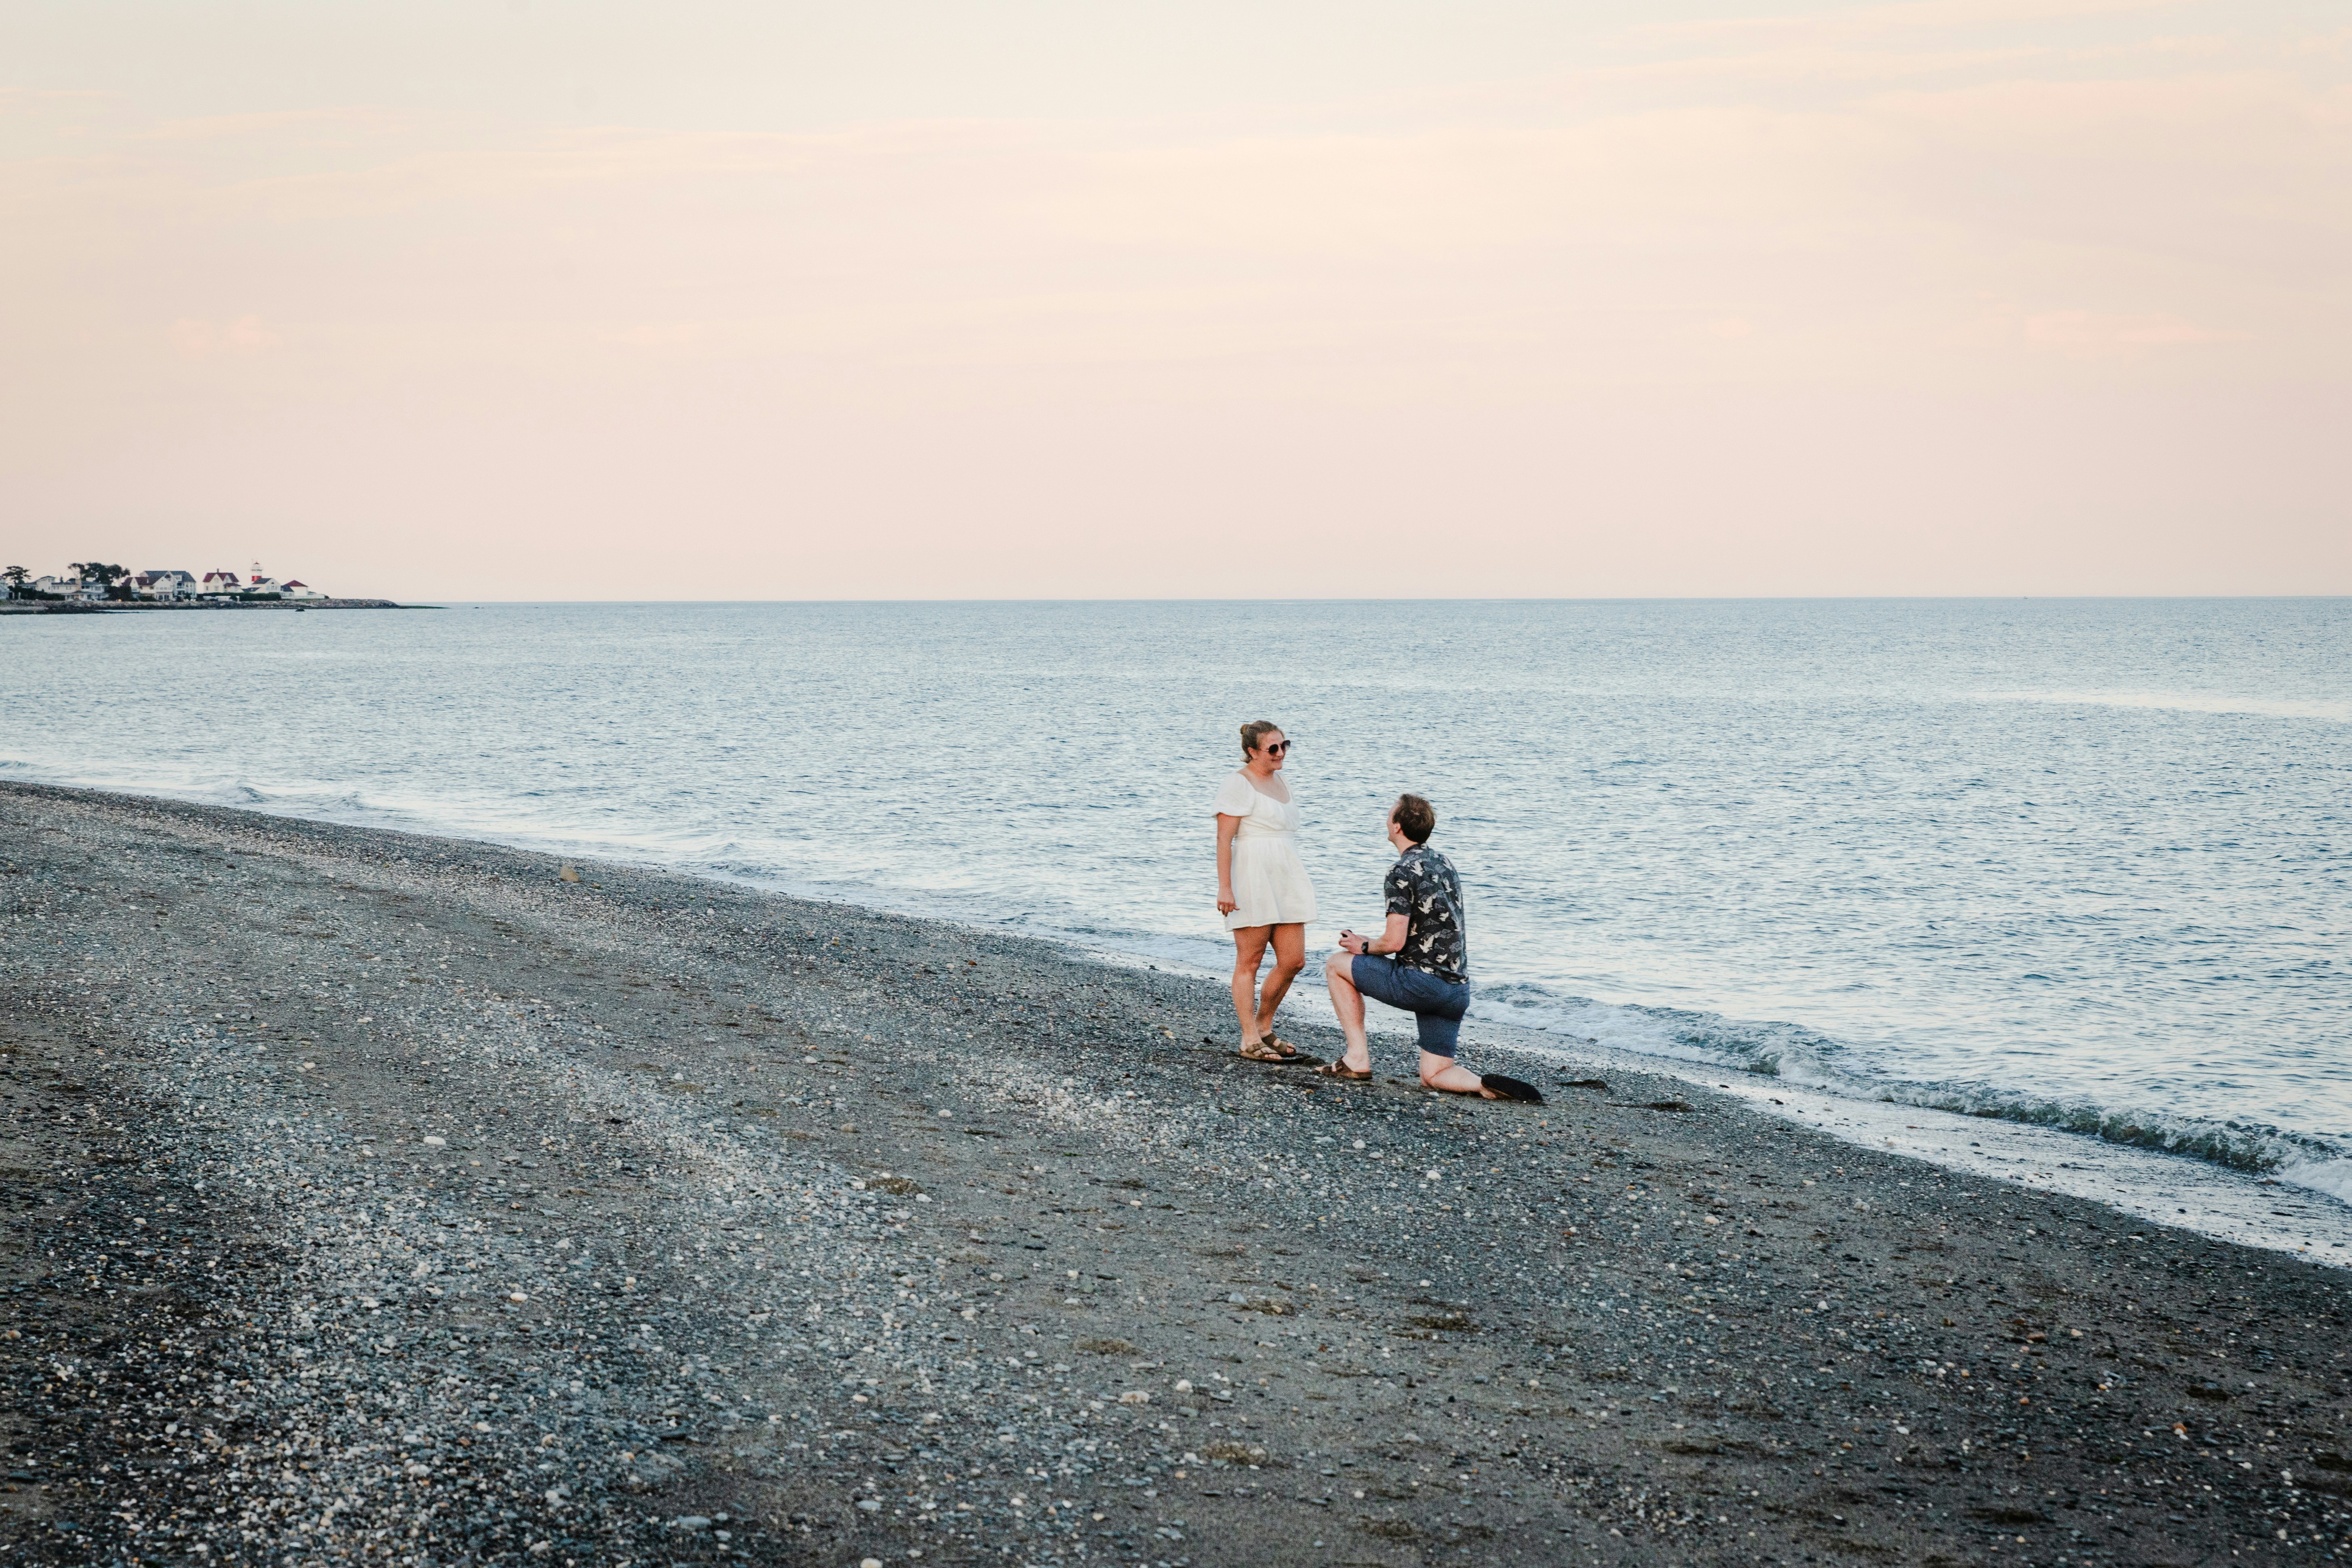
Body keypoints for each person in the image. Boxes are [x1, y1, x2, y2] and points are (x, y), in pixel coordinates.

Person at [1318, 792, 1538, 1101]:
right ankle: (1481, 1085)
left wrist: (1363, 946)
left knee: (1336, 964)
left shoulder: (1401, 871)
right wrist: (1370, 943)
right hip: (1456, 991)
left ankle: (1356, 1058)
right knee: (1433, 1075)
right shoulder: (1444, 862)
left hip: (1421, 985)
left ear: (1396, 826)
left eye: (1389, 814)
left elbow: (1395, 941)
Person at [1215, 721, 1317, 1062]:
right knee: (1251, 960)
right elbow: (1224, 839)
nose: (1281, 753)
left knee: (1293, 961)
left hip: (1286, 873)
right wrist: (1225, 887)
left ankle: (1264, 1025)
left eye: (1284, 745)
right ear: (1252, 751)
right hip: (1252, 874)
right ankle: (1248, 1038)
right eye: (1272, 748)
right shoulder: (1237, 783)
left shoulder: (1283, 780)